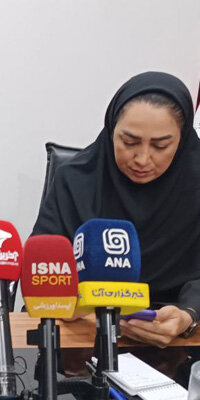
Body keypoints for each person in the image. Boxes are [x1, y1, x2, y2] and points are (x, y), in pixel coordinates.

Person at [33, 71, 200, 348]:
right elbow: (43, 268)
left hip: (177, 340)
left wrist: (189, 315)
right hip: (85, 336)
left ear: (182, 141)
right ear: (111, 129)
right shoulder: (74, 180)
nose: (142, 159)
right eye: (129, 142)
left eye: (161, 145)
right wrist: (69, 303)